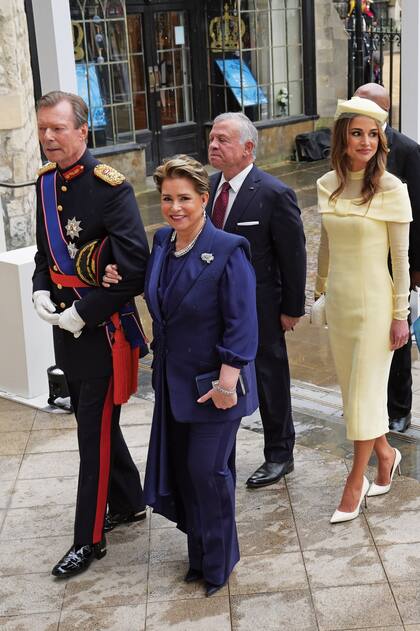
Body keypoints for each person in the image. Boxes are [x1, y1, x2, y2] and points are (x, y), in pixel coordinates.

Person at [103, 154, 258, 595]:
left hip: (216, 388)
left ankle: (220, 562)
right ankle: (199, 558)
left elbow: (242, 323)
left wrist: (228, 383)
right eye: (167, 198)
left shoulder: (228, 251)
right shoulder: (162, 243)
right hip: (173, 386)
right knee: (189, 475)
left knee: (207, 472)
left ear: (204, 199)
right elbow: (153, 289)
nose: (175, 207)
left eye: (185, 198)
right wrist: (115, 273)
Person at [32, 91, 149, 577]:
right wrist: (39, 288)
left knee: (91, 435)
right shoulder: (44, 184)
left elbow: (136, 266)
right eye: (42, 129)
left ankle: (89, 539)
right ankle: (129, 501)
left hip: (100, 332)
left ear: (83, 131)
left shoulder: (111, 188)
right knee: (92, 418)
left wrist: (89, 310)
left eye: (58, 128)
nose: (48, 137)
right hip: (65, 325)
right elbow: (45, 255)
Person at [315, 96, 412, 523]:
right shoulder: (326, 184)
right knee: (355, 393)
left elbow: (402, 261)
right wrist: (318, 295)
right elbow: (325, 247)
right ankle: (387, 454)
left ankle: (355, 482)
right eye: (357, 133)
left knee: (365, 396)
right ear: (343, 136)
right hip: (340, 303)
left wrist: (400, 315)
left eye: (373, 134)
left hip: (376, 305)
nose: (366, 142)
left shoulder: (392, 189)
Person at [207, 112, 306, 489]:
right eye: (212, 139)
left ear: (248, 148)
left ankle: (280, 453)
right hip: (216, 305)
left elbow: (293, 256)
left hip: (260, 305)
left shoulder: (274, 193)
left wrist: (291, 308)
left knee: (269, 376)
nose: (214, 146)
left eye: (223, 140)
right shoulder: (209, 188)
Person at [354, 83, 420, 433]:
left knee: (396, 335)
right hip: (360, 260)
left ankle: (399, 407)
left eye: (364, 104)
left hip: (395, 263)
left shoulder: (408, 151)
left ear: (385, 110)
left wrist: (416, 267)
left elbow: (419, 213)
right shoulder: (348, 146)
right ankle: (370, 404)